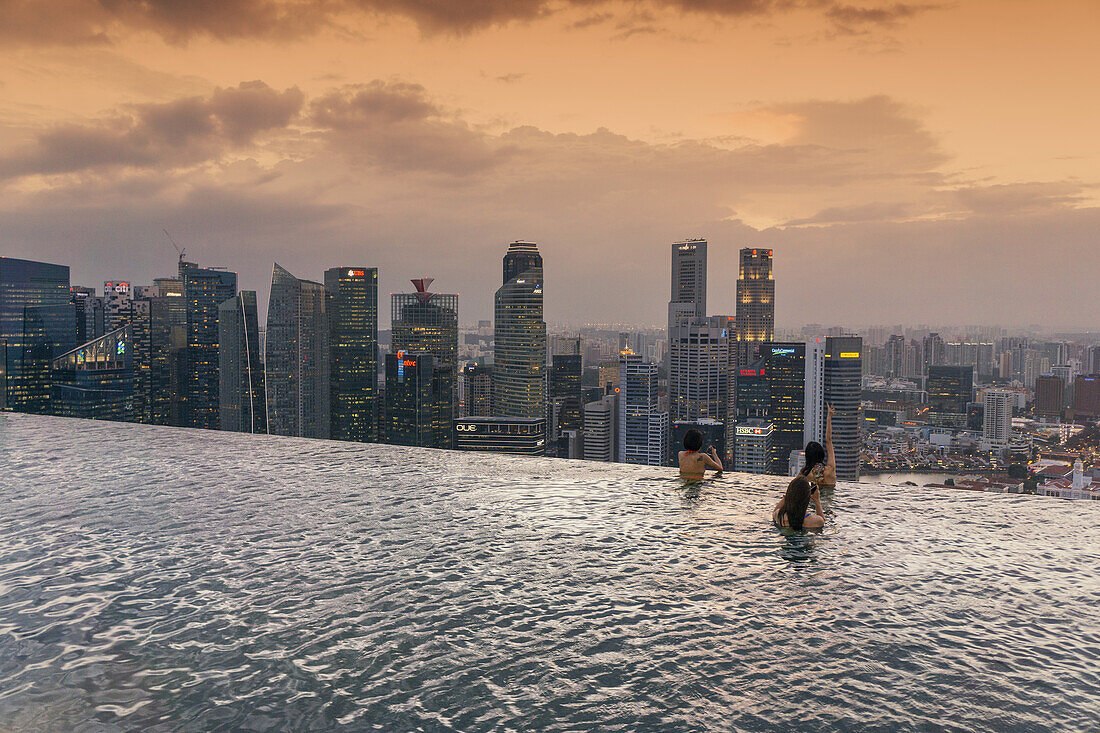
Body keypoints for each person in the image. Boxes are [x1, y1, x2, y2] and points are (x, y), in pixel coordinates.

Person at [800, 402, 837, 491]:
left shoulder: (806, 474)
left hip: (811, 502)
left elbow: (794, 486)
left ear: (807, 456)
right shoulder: (829, 470)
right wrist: (829, 418)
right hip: (829, 503)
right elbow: (829, 441)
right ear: (821, 454)